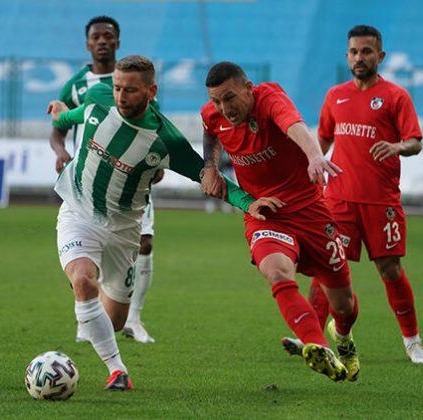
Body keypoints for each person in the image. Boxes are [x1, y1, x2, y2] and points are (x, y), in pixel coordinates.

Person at [47, 55, 275, 390]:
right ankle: (117, 370)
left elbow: (207, 177)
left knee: (114, 319)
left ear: (152, 91)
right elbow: (71, 115)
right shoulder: (98, 103)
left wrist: (247, 202)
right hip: (78, 212)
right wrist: (58, 113)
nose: (122, 96)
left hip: (124, 232)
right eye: (118, 88)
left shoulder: (165, 139)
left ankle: (94, 297)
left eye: (132, 90)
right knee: (83, 281)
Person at [200, 62, 360, 382]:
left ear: (248, 87)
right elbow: (211, 133)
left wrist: (315, 156)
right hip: (265, 214)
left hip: (311, 212)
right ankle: (317, 345)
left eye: (230, 98)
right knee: (275, 271)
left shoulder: (270, 98)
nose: (223, 108)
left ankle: (342, 336)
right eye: (217, 101)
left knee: (343, 304)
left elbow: (293, 124)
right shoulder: (212, 113)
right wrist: (210, 166)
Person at [286, 25, 423, 364]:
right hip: (338, 199)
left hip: (381, 200)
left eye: (366, 51)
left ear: (380, 56)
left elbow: (415, 142)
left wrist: (397, 145)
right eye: (354, 51)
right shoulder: (335, 95)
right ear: (347, 55)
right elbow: (321, 141)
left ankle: (413, 342)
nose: (359, 57)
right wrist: (309, 166)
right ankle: (311, 338)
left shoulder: (396, 96)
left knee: (390, 269)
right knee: (327, 267)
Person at [49, 16, 158, 344]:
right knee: (85, 256)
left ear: (118, 40)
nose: (102, 41)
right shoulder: (78, 84)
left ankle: (134, 319)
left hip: (131, 180)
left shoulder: (135, 77)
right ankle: (90, 309)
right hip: (90, 179)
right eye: (96, 37)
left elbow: (155, 123)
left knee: (146, 243)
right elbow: (59, 128)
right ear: (87, 44)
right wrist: (60, 151)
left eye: (108, 36)